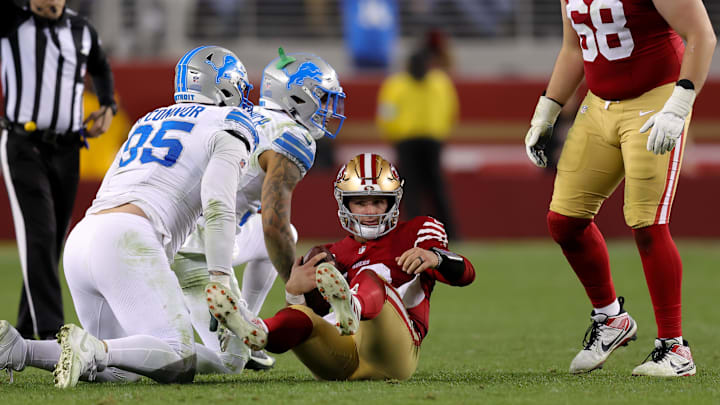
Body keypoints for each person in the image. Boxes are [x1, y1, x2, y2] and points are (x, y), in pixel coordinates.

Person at [6, 45, 258, 388]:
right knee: (177, 356)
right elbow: (218, 203)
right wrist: (220, 277)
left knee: (118, 370)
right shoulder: (230, 122)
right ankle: (91, 348)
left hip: (84, 237)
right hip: (127, 238)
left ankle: (18, 349)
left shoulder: (149, 119)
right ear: (224, 86)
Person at [524, 0, 716, 377]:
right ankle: (611, 317)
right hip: (599, 106)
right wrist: (547, 110)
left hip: (656, 99)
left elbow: (702, 35)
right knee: (564, 220)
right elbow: (575, 47)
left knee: (647, 223)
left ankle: (675, 348)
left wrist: (680, 103)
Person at [206, 153, 476, 380]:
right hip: (341, 355)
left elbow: (466, 275)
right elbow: (310, 322)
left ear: (393, 202)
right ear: (344, 204)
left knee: (372, 277)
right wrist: (293, 292)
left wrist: (437, 258)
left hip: (394, 353)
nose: (370, 211)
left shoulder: (418, 230)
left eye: (378, 201)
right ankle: (258, 331)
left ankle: (354, 306)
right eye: (360, 202)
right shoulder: (332, 254)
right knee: (301, 313)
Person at [172, 47, 347, 371]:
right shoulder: (293, 136)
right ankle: (157, 349)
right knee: (231, 364)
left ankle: (243, 318)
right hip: (195, 249)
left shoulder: (244, 115)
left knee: (288, 234)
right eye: (322, 98)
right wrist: (294, 286)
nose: (327, 108)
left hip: (191, 229)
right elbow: (272, 225)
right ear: (297, 97)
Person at [0, 0, 116, 340]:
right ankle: (52, 332)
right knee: (39, 233)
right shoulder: (11, 22)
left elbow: (101, 67)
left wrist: (108, 105)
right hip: (24, 144)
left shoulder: (80, 29)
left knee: (51, 241)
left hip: (68, 147)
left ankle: (23, 329)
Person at [376, 47, 459, 239]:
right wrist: (393, 135)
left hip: (430, 140)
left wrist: (442, 132)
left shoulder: (439, 82)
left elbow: (450, 109)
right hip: (407, 141)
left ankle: (448, 233)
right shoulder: (397, 84)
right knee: (412, 189)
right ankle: (415, 233)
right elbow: (386, 113)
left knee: (435, 188)